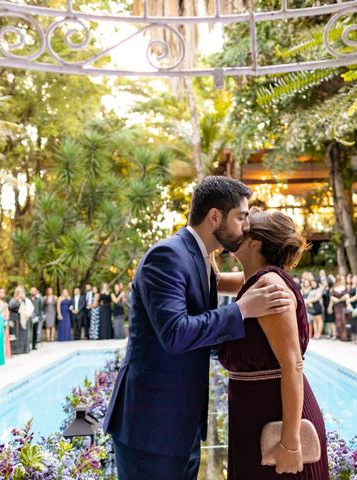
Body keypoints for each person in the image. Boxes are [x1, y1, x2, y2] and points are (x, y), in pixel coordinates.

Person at [102, 176, 294, 480]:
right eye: (241, 217)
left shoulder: (203, 261)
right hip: (151, 428)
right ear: (215, 216)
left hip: (181, 426)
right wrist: (242, 309)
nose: (246, 226)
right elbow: (176, 334)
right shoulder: (167, 256)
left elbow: (205, 332)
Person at [217, 208, 329, 479]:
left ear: (254, 241)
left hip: (277, 418)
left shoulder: (270, 285)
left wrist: (290, 443)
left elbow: (293, 366)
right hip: (254, 414)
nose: (235, 231)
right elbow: (214, 281)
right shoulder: (255, 280)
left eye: (242, 227)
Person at [8, 286, 33, 354]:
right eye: (18, 292)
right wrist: (17, 300)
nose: (20, 293)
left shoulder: (26, 300)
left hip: (24, 319)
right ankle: (16, 350)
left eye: (21, 292)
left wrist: (23, 300)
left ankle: (25, 349)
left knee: (24, 335)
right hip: (15, 319)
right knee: (17, 335)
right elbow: (10, 306)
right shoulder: (13, 300)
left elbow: (29, 308)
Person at [329, 276, 349, 341]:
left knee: (344, 320)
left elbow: (347, 296)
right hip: (337, 306)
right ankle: (339, 334)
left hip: (344, 305)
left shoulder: (345, 287)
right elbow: (331, 298)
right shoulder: (334, 288)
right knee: (338, 321)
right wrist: (330, 307)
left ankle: (345, 335)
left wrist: (345, 298)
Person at [0, 287, 11, 359]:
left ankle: (6, 354)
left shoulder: (4, 302)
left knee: (6, 337)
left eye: (3, 292)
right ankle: (2, 354)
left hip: (6, 320)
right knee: (1, 338)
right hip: (1, 321)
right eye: (0, 292)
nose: (2, 294)